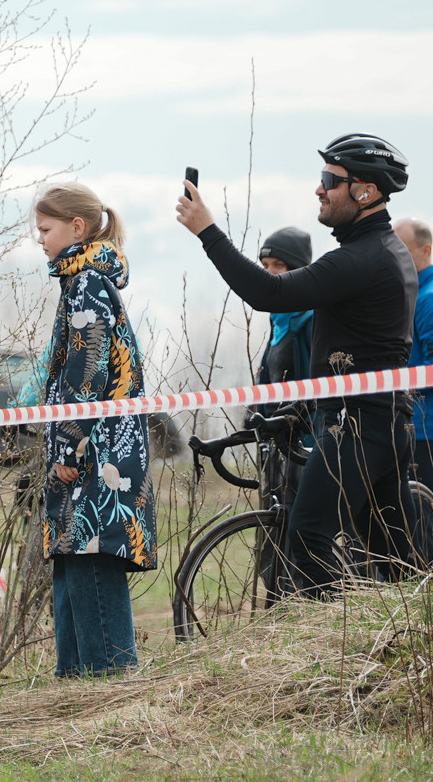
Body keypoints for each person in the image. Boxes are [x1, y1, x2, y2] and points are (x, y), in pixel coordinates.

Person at [177, 133, 416, 595]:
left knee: (307, 541)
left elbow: (271, 293)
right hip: (377, 422)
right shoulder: (378, 251)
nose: (319, 189)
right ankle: (410, 649)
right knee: (402, 560)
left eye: (331, 179)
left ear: (365, 192)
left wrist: (208, 230)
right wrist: (302, 411)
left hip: (360, 425)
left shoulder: (364, 258)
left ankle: (343, 651)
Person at [36, 184, 155, 675]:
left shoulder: (86, 284)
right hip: (91, 455)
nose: (39, 240)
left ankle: (113, 692)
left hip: (96, 457)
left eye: (45, 230)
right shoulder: (79, 283)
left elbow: (87, 373)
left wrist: (65, 446)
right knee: (72, 570)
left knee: (91, 567)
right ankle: (73, 695)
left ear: (77, 228)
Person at [398, 218, 433, 513]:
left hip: (429, 429)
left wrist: (392, 383)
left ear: (426, 250)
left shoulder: (431, 300)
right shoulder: (419, 295)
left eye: (404, 249)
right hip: (420, 425)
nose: (397, 256)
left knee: (425, 520)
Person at [253, 228, 317, 388]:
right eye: (265, 265)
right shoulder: (278, 322)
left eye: (278, 264)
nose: (269, 272)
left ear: (297, 271)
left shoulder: (313, 321)